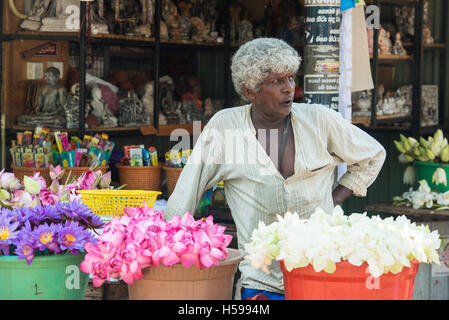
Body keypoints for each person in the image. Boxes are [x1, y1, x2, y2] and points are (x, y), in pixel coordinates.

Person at [163, 38, 386, 300]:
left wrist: (332, 200)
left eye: (291, 78)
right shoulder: (226, 127)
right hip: (262, 280)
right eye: (276, 82)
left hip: (319, 272)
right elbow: (185, 196)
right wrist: (163, 250)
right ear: (250, 91)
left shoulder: (319, 120)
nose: (289, 89)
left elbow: (372, 155)